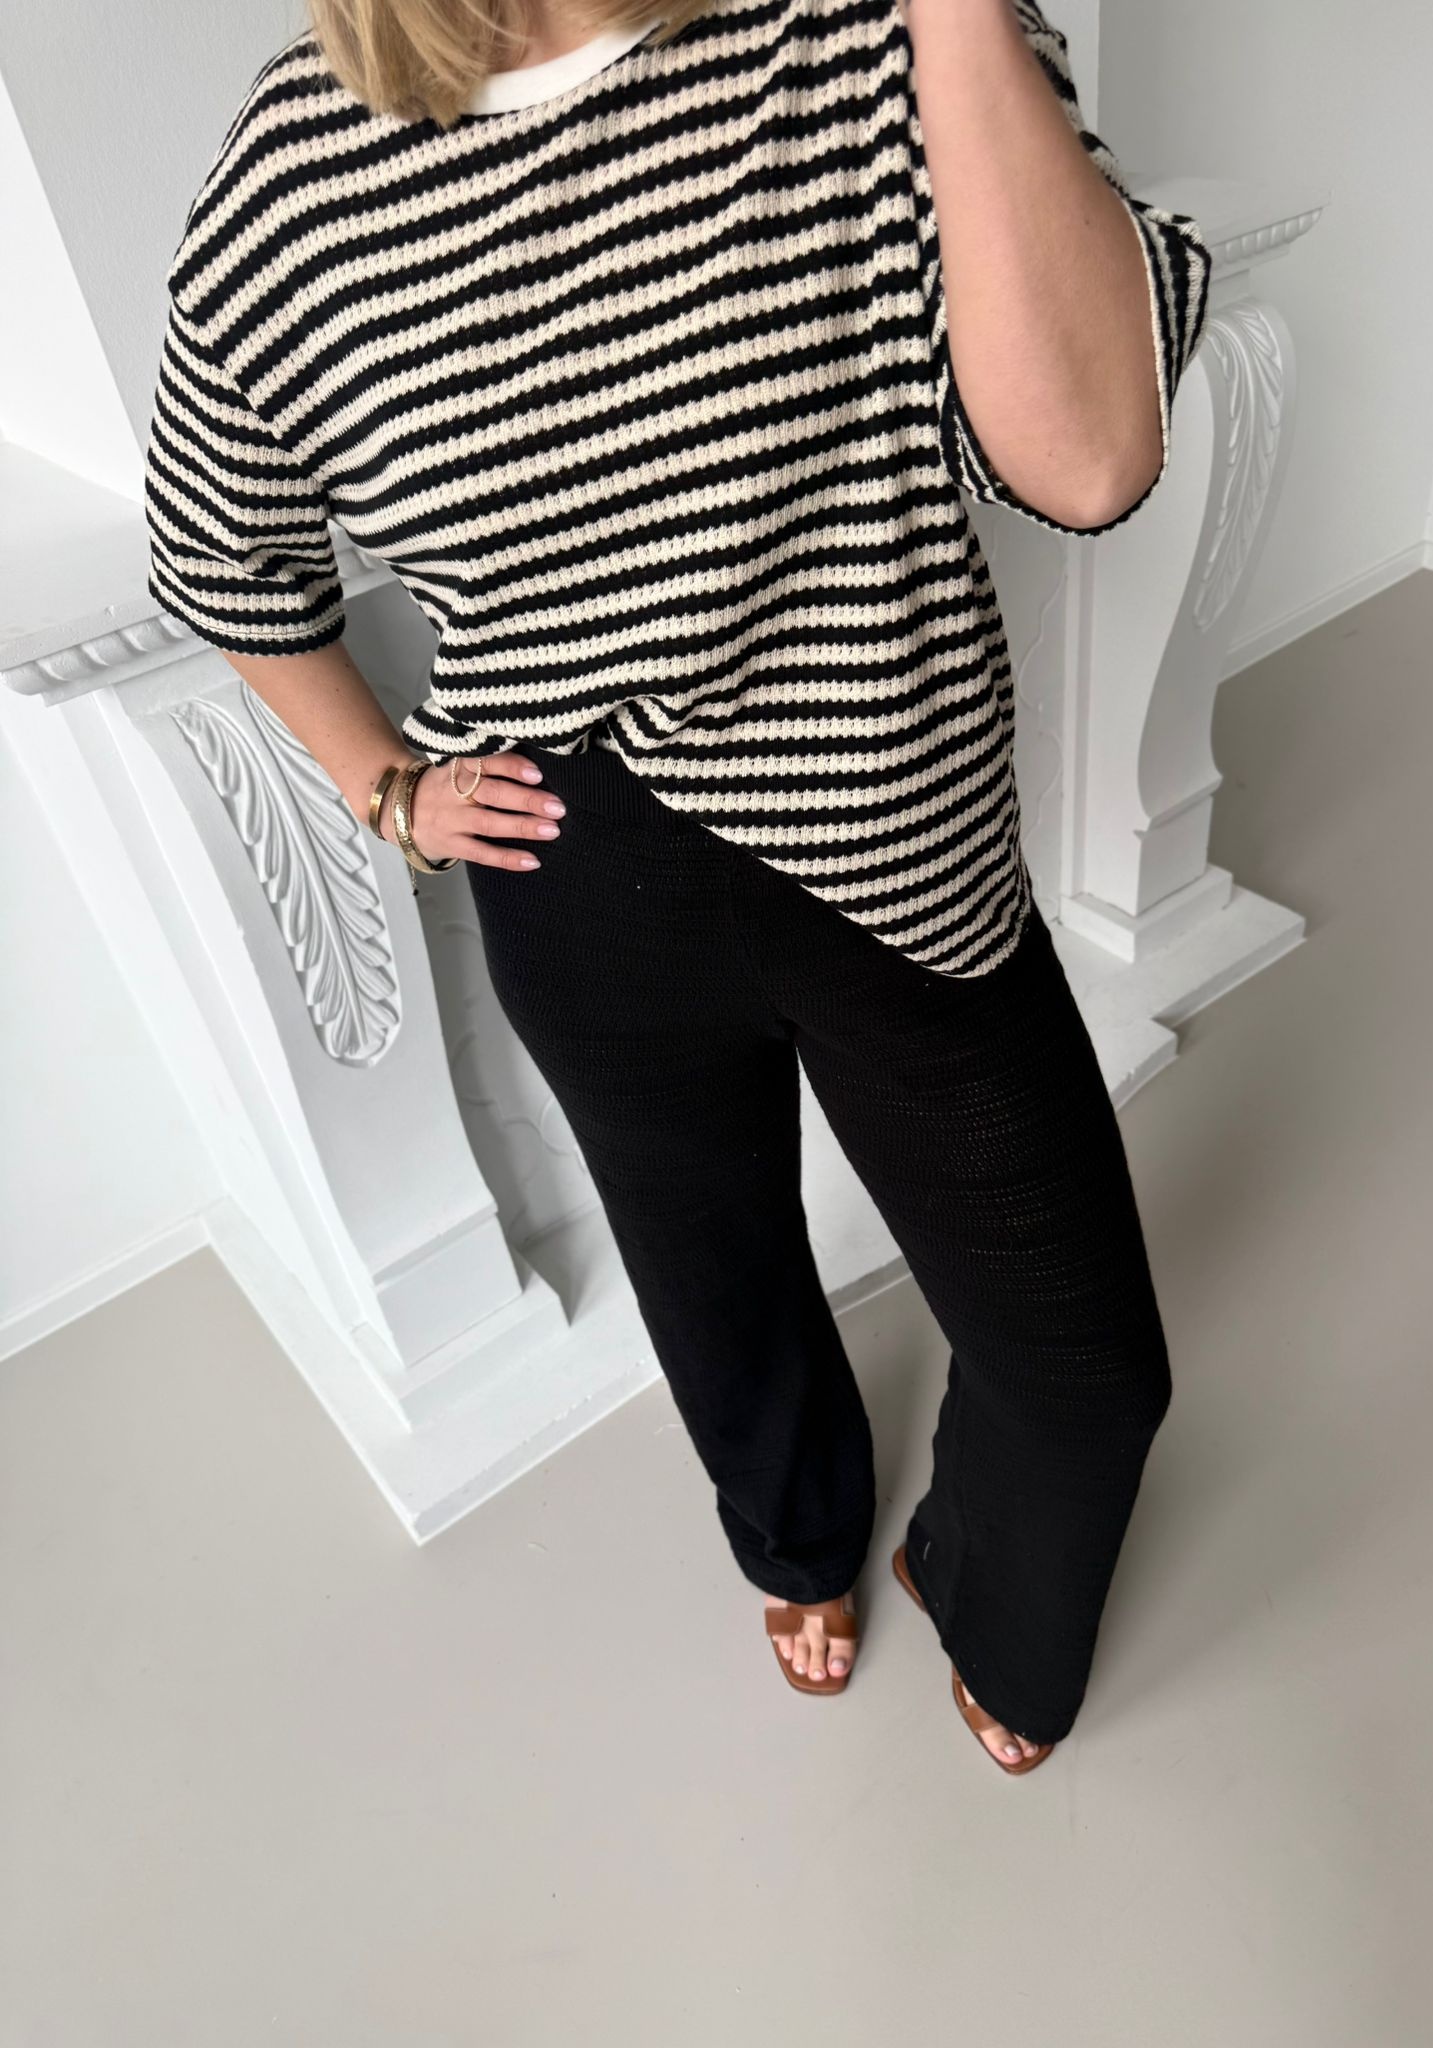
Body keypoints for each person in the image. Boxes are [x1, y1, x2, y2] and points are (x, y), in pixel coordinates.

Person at [142, 0, 1212, 1775]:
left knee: (1086, 1368)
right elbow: (219, 551)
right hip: (574, 868)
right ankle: (797, 1541)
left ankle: (984, 1572)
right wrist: (388, 787)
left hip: (895, 834)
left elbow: (1093, 455)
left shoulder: (871, 32)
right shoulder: (297, 157)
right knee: (712, 1277)